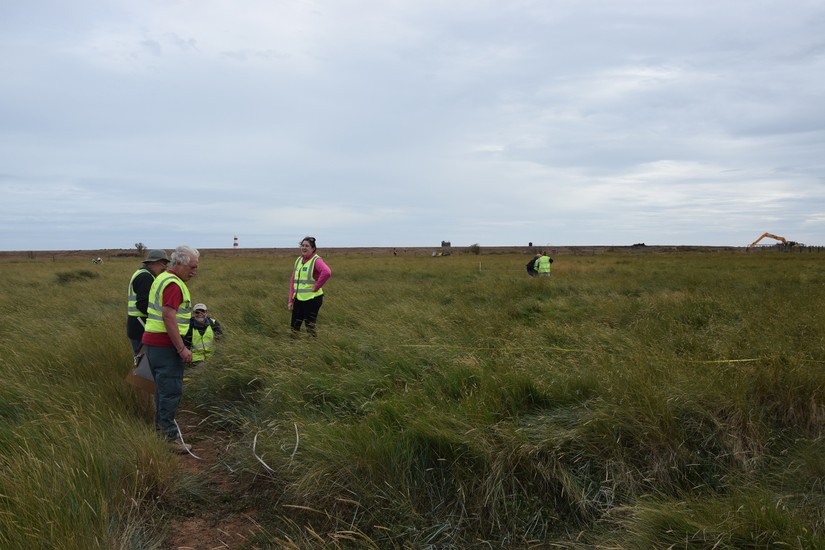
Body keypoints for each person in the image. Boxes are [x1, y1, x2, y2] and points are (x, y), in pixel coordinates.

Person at [141, 245, 200, 453]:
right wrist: (181, 348)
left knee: (162, 390)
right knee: (170, 392)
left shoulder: (162, 277)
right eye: (192, 267)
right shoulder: (174, 284)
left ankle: (161, 432)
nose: (194, 271)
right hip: (165, 346)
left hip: (153, 343)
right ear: (179, 263)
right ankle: (169, 439)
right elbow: (168, 316)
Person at [127, 249, 170, 358]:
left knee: (142, 361)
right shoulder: (146, 277)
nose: (165, 268)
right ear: (152, 263)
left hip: (136, 325)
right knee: (144, 363)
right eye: (163, 264)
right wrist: (162, 314)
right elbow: (142, 305)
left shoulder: (142, 273)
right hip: (140, 325)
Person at [288, 236, 331, 337]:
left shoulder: (316, 260)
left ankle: (314, 348)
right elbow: (293, 281)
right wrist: (290, 300)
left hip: (312, 299)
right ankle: (293, 348)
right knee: (294, 328)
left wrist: (316, 287)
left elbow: (327, 272)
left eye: (307, 246)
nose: (304, 248)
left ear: (313, 249)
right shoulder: (298, 260)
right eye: (302, 245)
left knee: (310, 327)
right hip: (298, 299)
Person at [184, 302, 223, 367]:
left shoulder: (213, 323)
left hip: (213, 358)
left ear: (206, 312)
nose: (200, 314)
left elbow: (220, 341)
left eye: (202, 311)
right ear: (193, 313)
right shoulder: (189, 326)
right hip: (196, 360)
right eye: (197, 312)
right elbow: (186, 345)